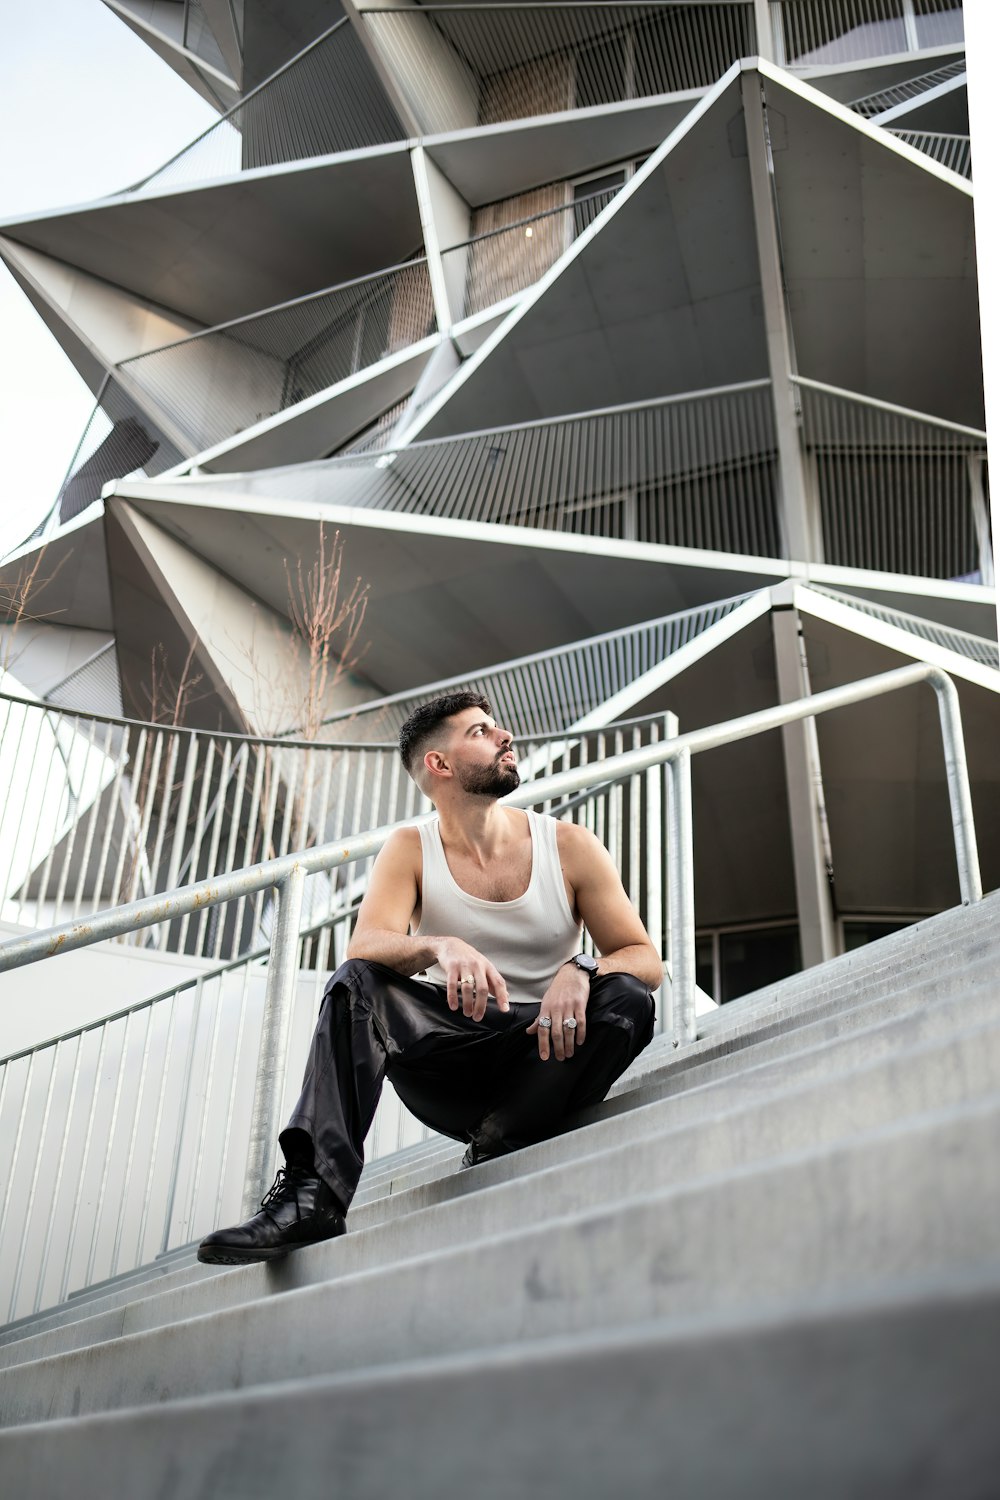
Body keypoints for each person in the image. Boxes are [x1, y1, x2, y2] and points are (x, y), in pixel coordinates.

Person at [198, 691, 661, 1264]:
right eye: (480, 732)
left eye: (497, 727)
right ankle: (313, 1195)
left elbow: (644, 957)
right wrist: (437, 944)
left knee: (629, 996)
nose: (504, 737)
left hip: (548, 1051)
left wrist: (582, 967)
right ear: (439, 765)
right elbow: (365, 945)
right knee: (357, 984)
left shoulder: (568, 846)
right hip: (454, 1059)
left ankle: (508, 1131)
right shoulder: (410, 848)